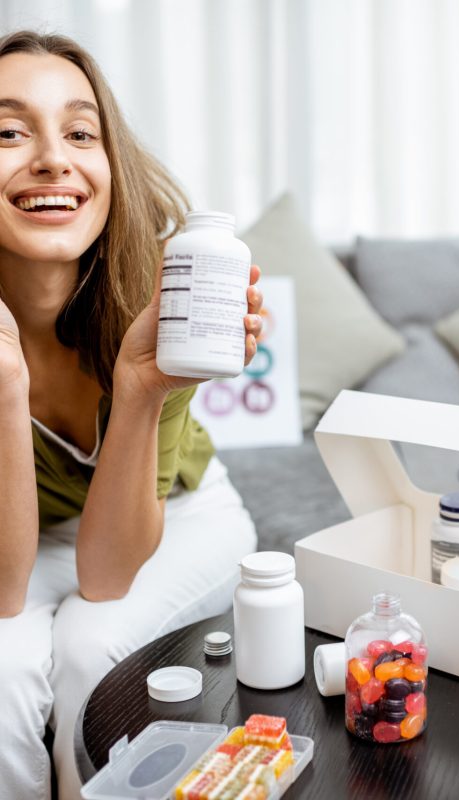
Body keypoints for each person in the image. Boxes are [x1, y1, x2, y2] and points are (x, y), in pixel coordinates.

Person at [0, 30, 262, 800]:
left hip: (180, 512)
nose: (52, 157)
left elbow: (108, 578)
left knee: (90, 643)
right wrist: (8, 384)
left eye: (81, 133)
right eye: (8, 132)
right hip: (24, 535)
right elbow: (5, 590)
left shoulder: (160, 289)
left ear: (110, 166)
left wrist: (143, 385)